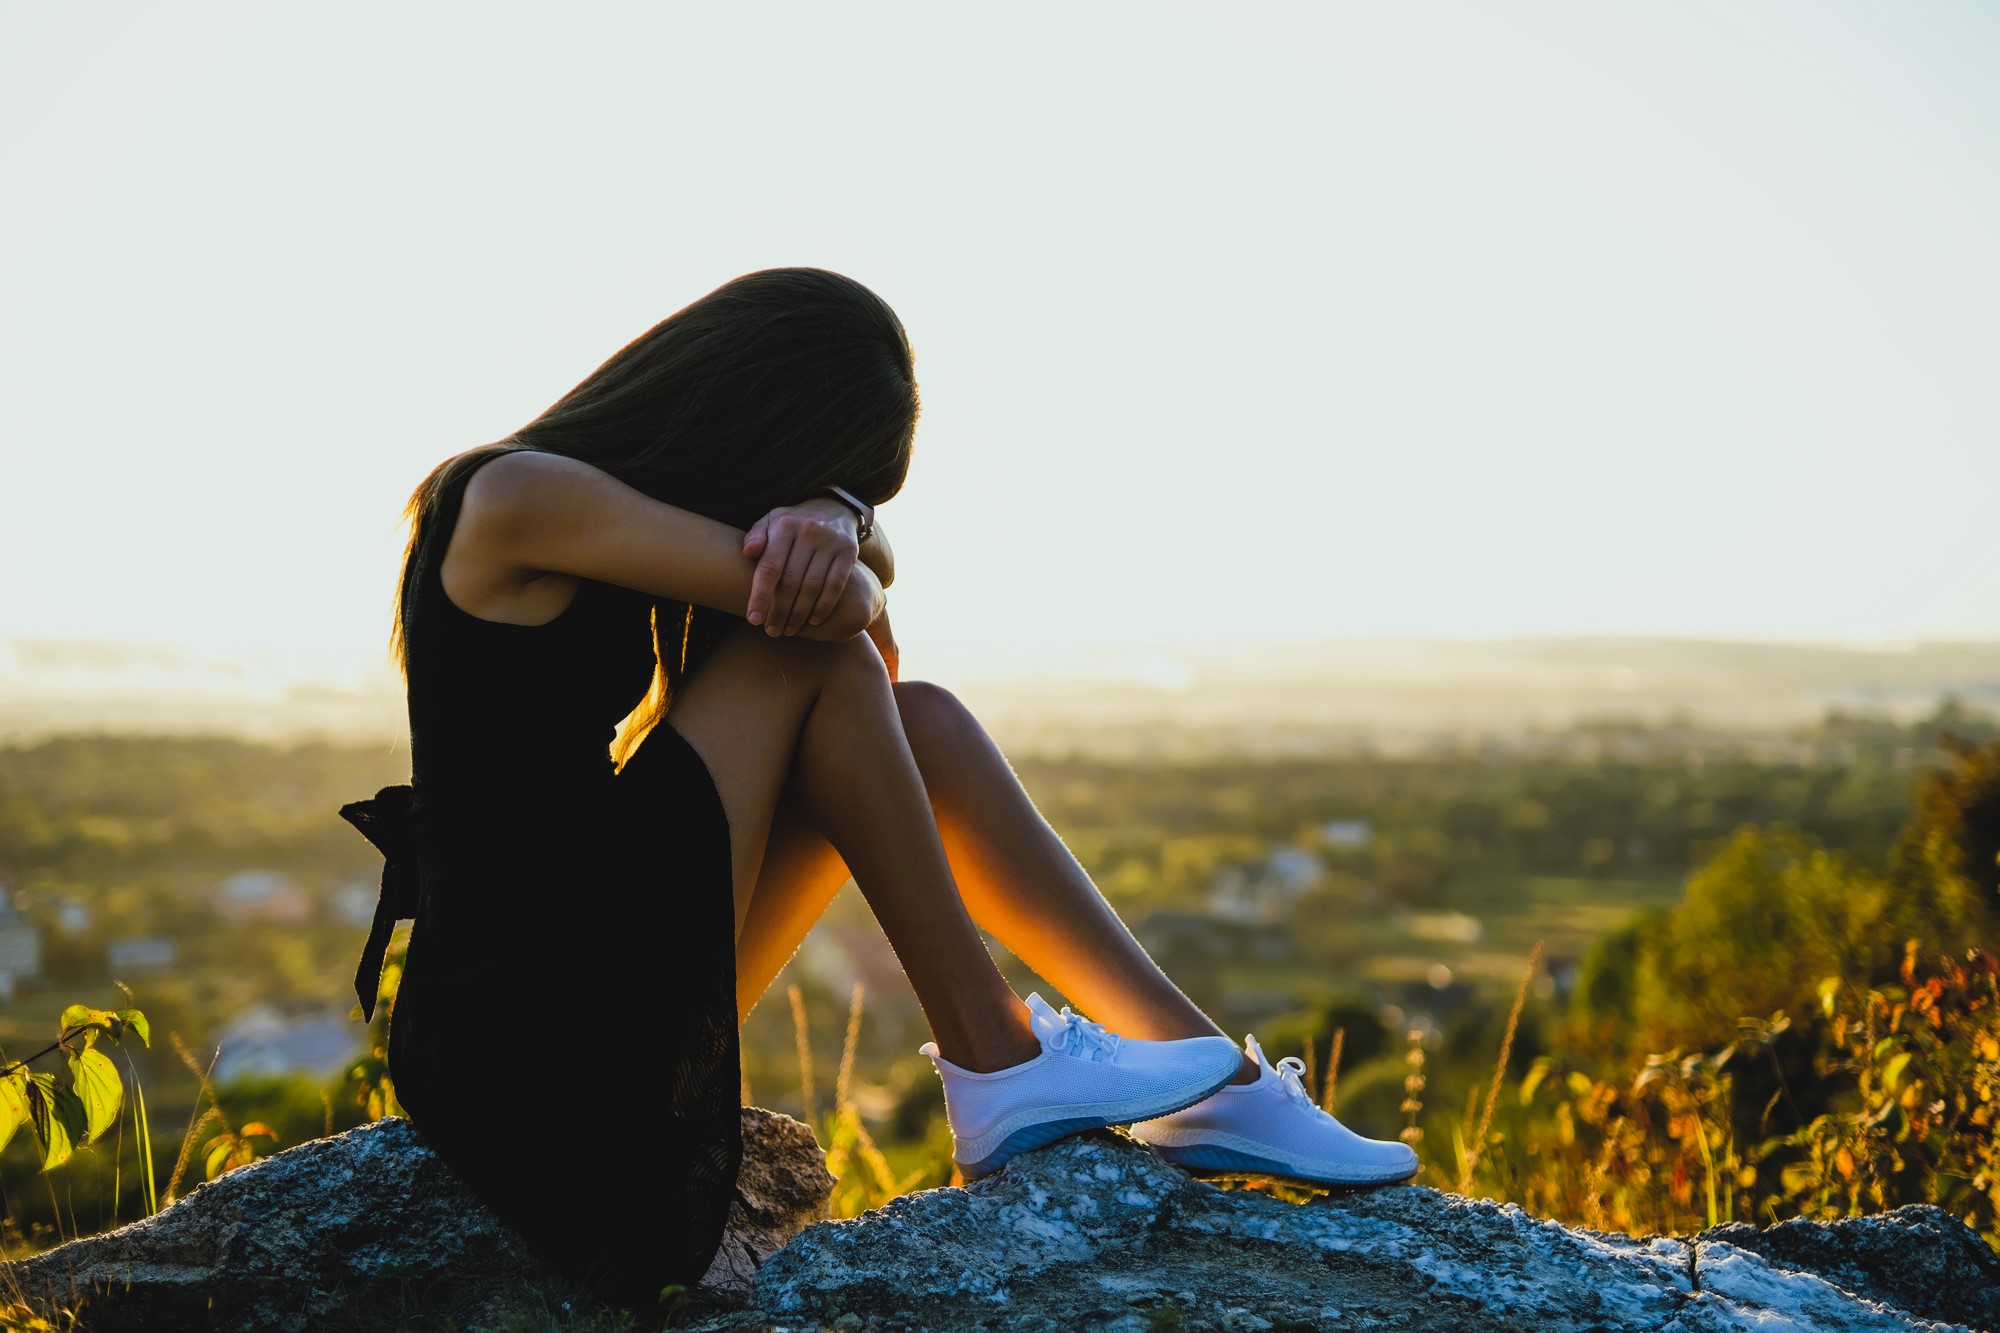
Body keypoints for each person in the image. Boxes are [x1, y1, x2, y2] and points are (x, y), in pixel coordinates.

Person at [339, 267, 1415, 1309]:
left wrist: (841, 511)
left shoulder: (626, 501)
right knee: (816, 655)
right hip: (526, 1026)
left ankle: (1213, 1085)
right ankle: (996, 1059)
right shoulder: (518, 492)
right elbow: (841, 623)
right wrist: (842, 545)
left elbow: (879, 672)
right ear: (752, 417)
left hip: (605, 967)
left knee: (924, 720)